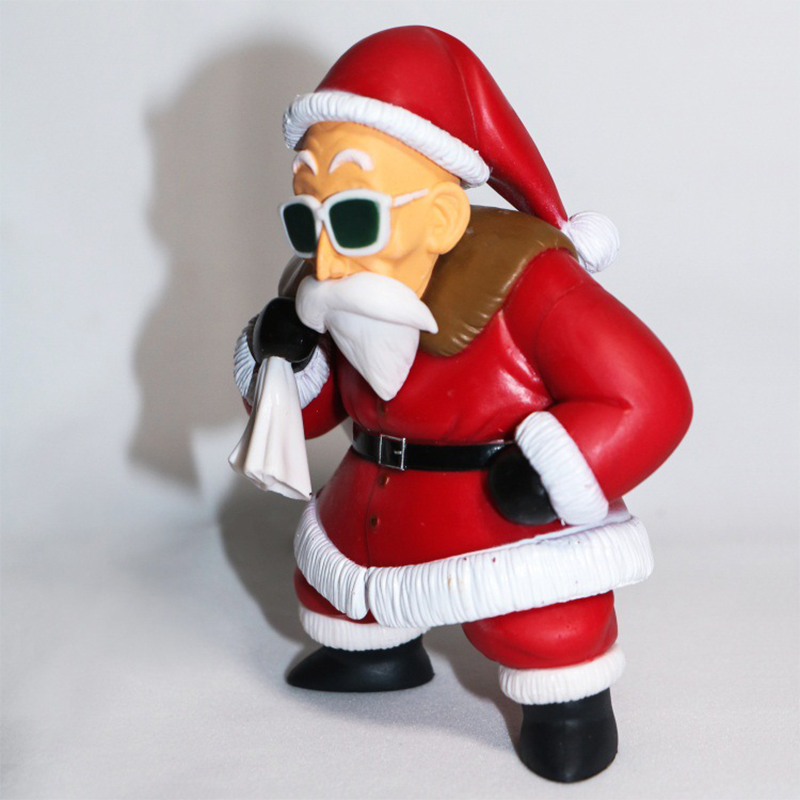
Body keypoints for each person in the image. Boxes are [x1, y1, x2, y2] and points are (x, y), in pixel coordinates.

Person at [232, 26, 692, 783]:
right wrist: (286, 356)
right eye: (307, 221)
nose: (326, 258)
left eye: (355, 219)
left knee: (540, 625)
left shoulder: (533, 286)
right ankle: (375, 652)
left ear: (442, 218)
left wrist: (552, 473)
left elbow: (648, 395)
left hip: (495, 521)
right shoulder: (325, 287)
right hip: (368, 505)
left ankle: (566, 709)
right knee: (344, 600)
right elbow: (311, 419)